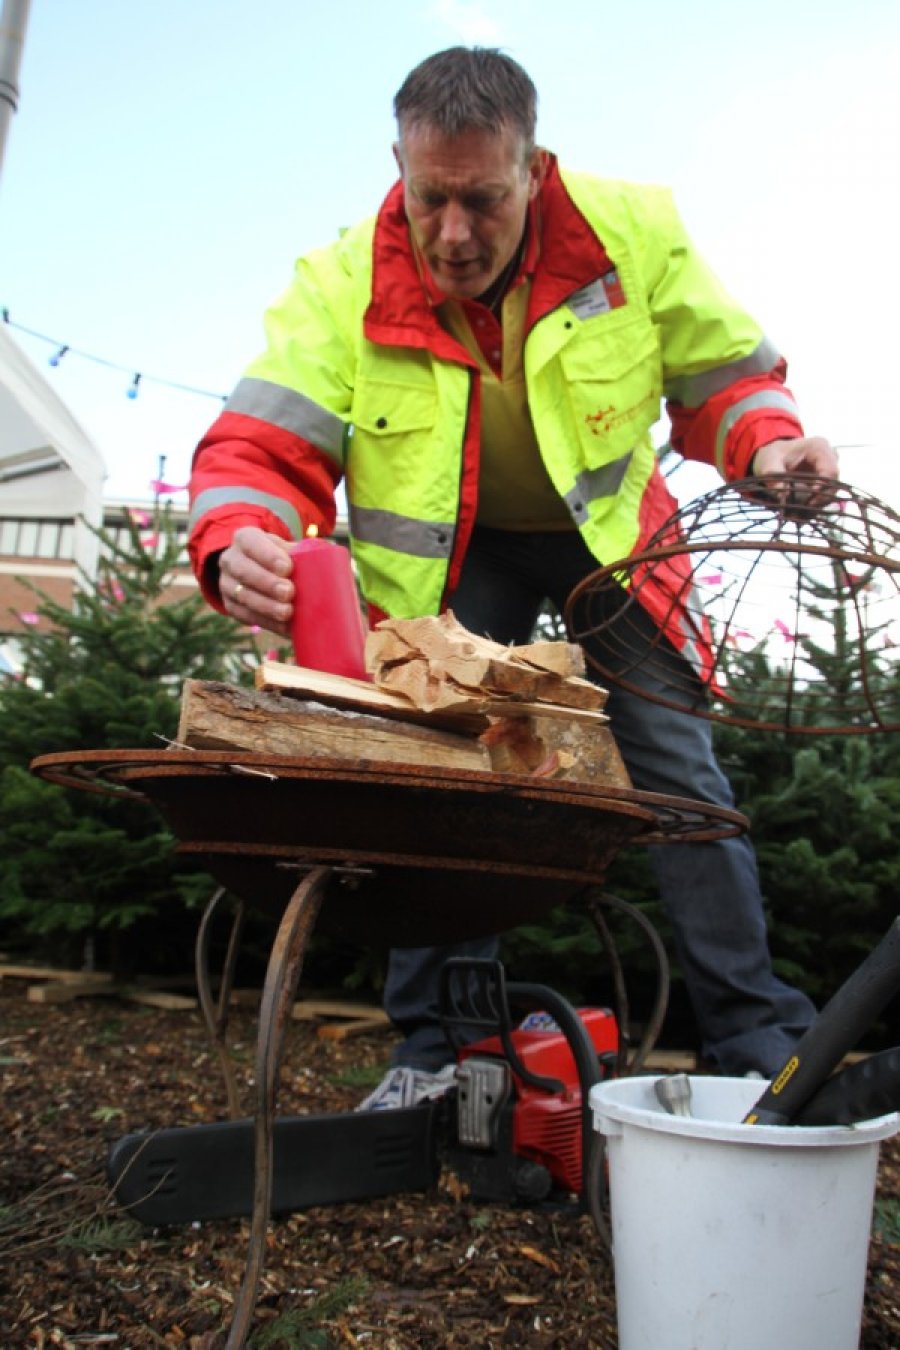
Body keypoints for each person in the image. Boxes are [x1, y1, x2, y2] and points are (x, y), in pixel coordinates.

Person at [187, 46, 839, 1105]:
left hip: (611, 547)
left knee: (678, 775)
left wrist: (768, 446)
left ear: (534, 169)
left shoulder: (635, 230)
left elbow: (728, 383)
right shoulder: (340, 279)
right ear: (396, 164)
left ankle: (758, 1046)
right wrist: (236, 537)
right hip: (457, 555)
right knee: (437, 768)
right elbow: (258, 450)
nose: (453, 233)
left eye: (483, 200)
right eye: (429, 196)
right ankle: (431, 1053)